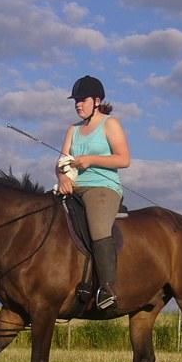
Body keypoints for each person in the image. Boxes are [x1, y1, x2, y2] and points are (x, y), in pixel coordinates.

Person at [56, 75, 131, 310]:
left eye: (83, 100)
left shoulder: (110, 124)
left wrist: (90, 159)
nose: (78, 104)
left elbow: (124, 159)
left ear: (97, 101)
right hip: (72, 188)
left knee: (98, 227)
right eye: (76, 100)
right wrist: (62, 177)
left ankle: (107, 288)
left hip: (102, 188)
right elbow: (61, 162)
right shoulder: (73, 130)